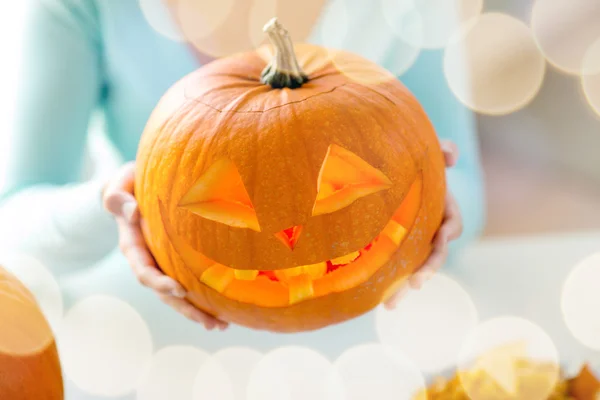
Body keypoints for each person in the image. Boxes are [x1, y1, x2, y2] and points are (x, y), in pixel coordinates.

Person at [0, 0, 485, 331]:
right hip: (150, 340)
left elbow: (465, 190)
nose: (290, 232)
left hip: (379, 345)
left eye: (342, 188)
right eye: (227, 203)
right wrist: (119, 201)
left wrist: (439, 200)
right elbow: (13, 223)